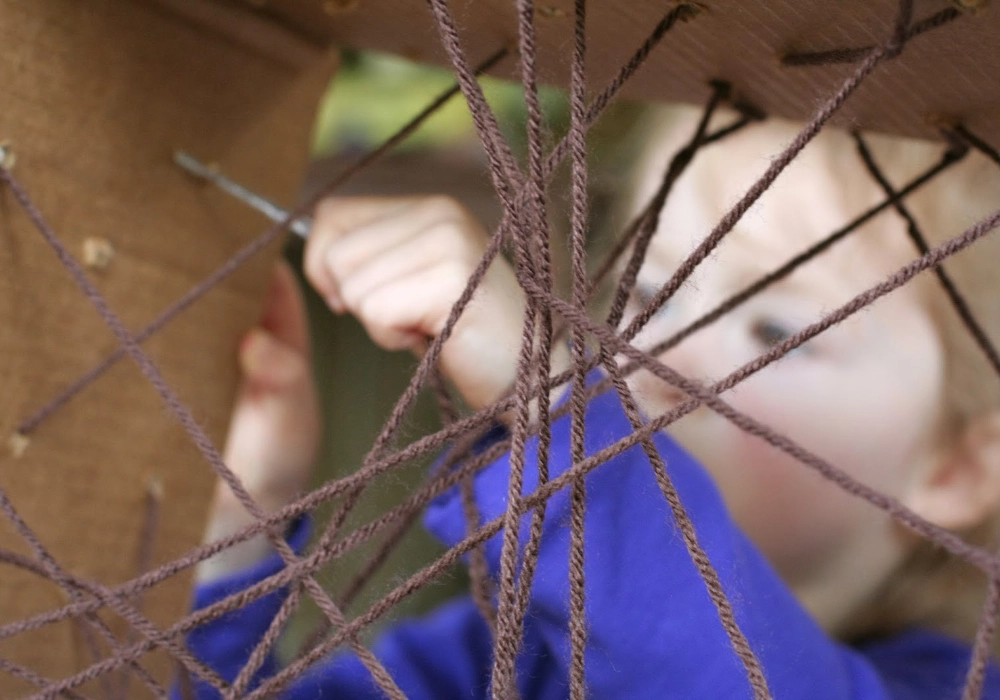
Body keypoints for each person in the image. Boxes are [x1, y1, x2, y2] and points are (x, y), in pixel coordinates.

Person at [176, 104, 1000, 698]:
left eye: (776, 328)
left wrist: (556, 408)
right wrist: (234, 538)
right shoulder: (499, 660)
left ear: (962, 464)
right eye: (653, 287)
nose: (660, 356)